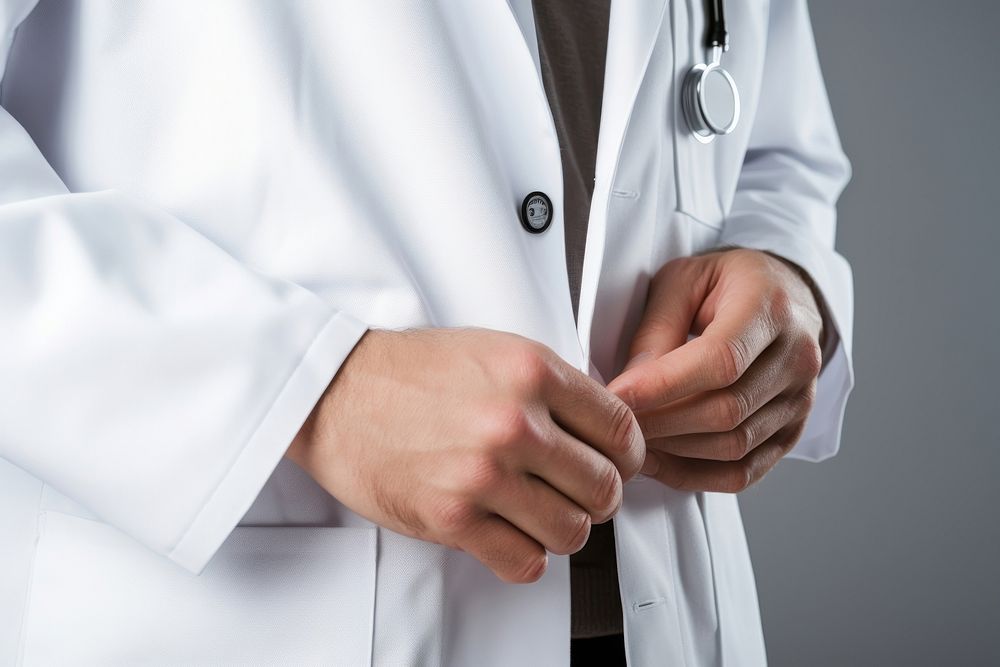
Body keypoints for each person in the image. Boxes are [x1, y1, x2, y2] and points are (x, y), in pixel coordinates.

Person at [0, 1, 853, 665]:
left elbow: (774, 139)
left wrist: (786, 276)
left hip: (669, 612)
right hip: (252, 615)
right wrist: (310, 389)